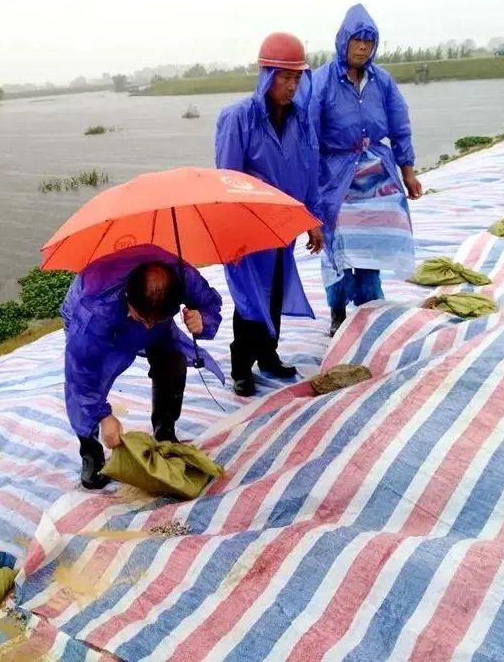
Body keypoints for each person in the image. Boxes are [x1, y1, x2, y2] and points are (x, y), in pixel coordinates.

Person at [61, 244, 223, 489]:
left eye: (154, 321)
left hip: (150, 316)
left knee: (172, 360)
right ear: (128, 297)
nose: (147, 326)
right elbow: (80, 373)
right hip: (106, 323)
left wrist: (202, 319)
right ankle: (90, 450)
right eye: (141, 319)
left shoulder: (183, 276)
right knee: (90, 380)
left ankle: (165, 429)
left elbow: (210, 301)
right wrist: (104, 416)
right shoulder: (93, 309)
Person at [215, 32, 323, 397]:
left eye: (296, 78)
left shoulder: (300, 121)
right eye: (284, 76)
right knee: (250, 296)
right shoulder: (239, 118)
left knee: (274, 291)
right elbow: (227, 178)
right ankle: (241, 366)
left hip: (282, 225)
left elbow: (309, 169)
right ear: (267, 75)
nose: (291, 86)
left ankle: (268, 355)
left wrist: (312, 219)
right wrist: (230, 233)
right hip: (248, 227)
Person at [310, 4, 422, 336]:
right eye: (357, 40)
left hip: (375, 172)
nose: (362, 47)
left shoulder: (382, 81)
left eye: (369, 42)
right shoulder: (322, 82)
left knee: (373, 239)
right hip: (337, 175)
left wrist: (408, 170)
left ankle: (369, 308)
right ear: (344, 41)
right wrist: (310, 190)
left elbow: (400, 125)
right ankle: (337, 312)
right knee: (340, 244)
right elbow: (310, 138)